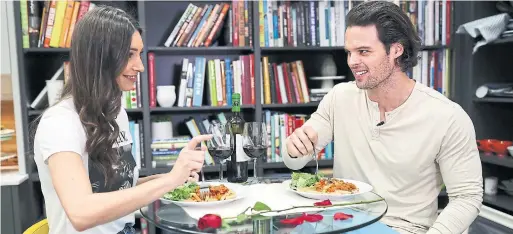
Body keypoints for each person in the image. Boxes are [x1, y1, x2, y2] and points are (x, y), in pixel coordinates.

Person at [283, 1, 483, 234]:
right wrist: (294, 147)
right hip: (339, 221)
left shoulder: (447, 117)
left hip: (402, 228)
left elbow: (467, 197)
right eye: (349, 52)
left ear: (396, 50)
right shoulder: (340, 97)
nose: (352, 62)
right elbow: (295, 162)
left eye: (364, 52)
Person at [32, 6, 211, 234]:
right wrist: (170, 180)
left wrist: (175, 177)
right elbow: (81, 212)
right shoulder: (60, 123)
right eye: (129, 55)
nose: (141, 66)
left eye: (139, 54)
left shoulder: (116, 114)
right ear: (99, 58)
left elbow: (118, 190)